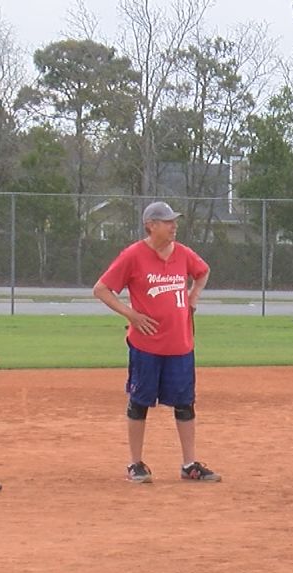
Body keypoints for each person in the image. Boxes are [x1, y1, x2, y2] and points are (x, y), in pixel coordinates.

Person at [92, 201, 221, 484]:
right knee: (139, 402)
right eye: (167, 221)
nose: (173, 225)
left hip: (181, 344)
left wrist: (194, 297)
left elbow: (203, 272)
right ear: (151, 225)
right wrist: (131, 314)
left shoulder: (184, 254)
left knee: (185, 404)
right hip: (146, 345)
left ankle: (189, 465)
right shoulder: (134, 255)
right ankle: (135, 464)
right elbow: (101, 289)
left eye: (174, 221)